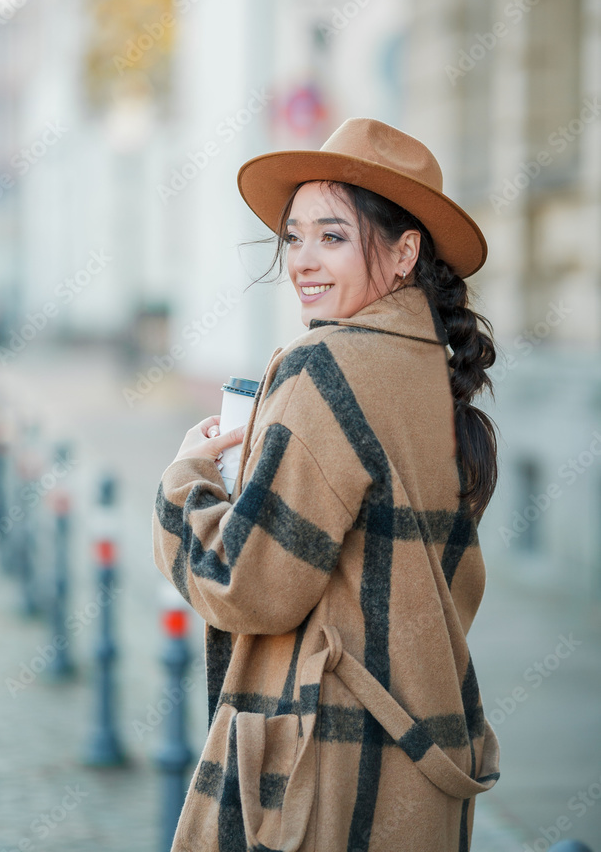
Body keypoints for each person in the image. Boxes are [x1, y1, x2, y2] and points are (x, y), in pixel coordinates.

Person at [152, 117, 501, 852]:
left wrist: (187, 484)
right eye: (294, 236)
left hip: (326, 776)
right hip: (424, 758)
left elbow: (246, 585)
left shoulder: (325, 367)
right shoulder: (431, 372)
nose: (303, 261)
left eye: (333, 237)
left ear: (405, 251)